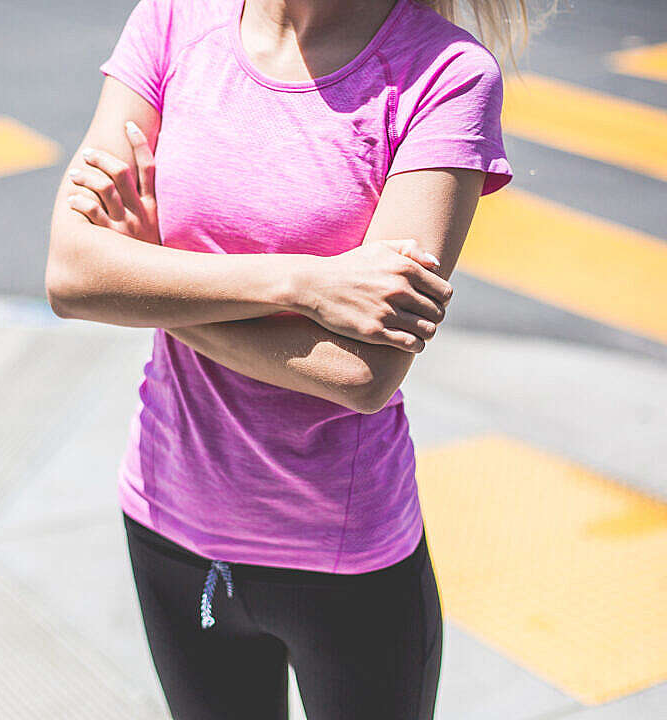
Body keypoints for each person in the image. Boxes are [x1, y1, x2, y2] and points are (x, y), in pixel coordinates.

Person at [45, 0, 553, 716]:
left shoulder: (446, 75)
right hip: (169, 522)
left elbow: (361, 373)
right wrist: (307, 285)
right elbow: (72, 274)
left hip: (345, 559)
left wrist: (151, 279)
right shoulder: (173, 20)